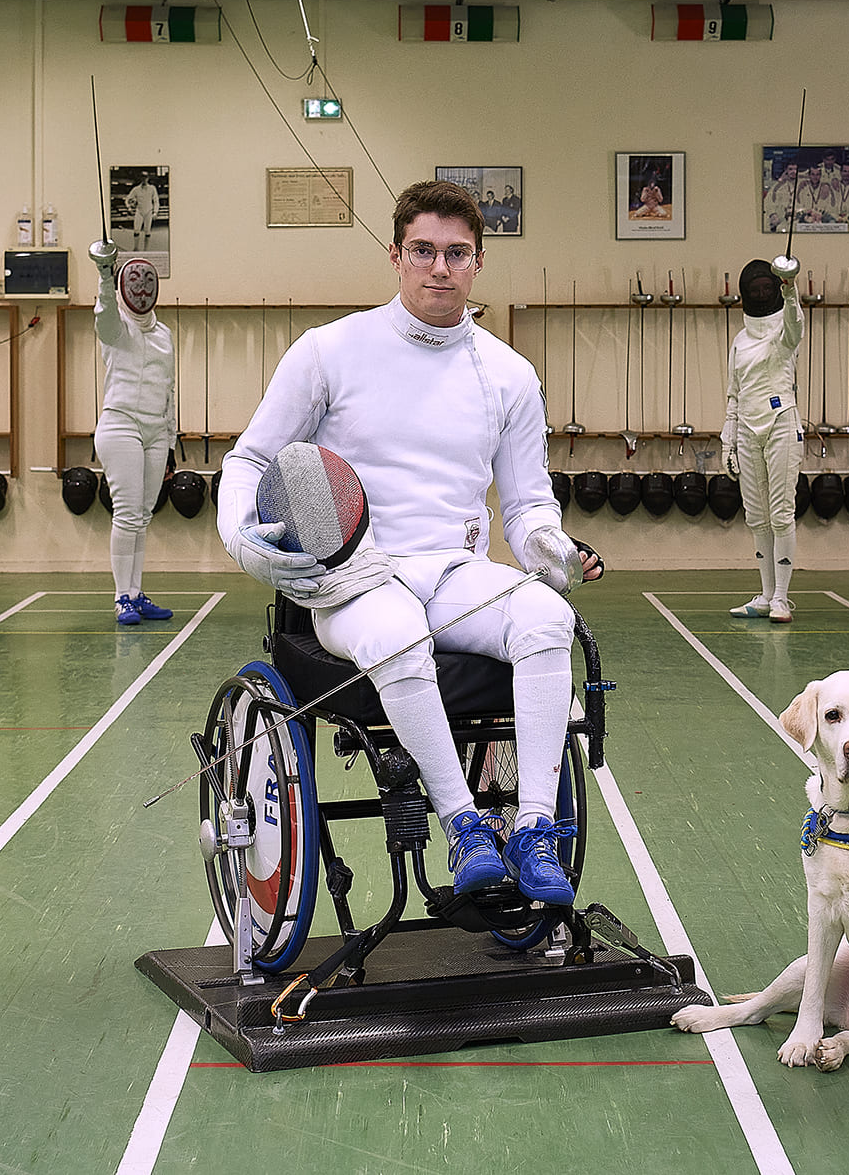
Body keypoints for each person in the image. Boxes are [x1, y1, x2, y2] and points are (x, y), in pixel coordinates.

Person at [218, 180, 600, 905]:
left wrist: (552, 550)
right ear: (395, 254)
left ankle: (534, 830)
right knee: (397, 632)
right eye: (423, 250)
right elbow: (249, 462)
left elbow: (524, 506)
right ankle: (463, 824)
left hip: (454, 572)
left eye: (457, 253)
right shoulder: (330, 351)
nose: (439, 268)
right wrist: (245, 539)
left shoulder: (510, 375)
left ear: (478, 263)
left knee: (547, 618)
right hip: (356, 581)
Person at [88, 238, 177, 626]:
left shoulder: (164, 335)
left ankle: (137, 592)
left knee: (142, 515)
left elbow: (169, 390)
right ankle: (122, 596)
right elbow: (105, 314)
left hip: (156, 432)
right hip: (120, 424)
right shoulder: (116, 328)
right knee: (126, 514)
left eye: (148, 280)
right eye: (133, 280)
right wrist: (105, 277)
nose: (141, 288)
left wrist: (171, 442)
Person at [723, 257, 805, 624]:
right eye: (754, 288)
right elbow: (734, 394)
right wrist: (728, 440)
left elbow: (795, 327)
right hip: (746, 428)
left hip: (781, 423)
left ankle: (783, 599)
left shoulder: (783, 333)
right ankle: (766, 594)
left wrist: (791, 292)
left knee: (781, 513)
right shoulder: (740, 341)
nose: (759, 292)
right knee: (757, 516)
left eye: (765, 287)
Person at [125, 175, 159, 252]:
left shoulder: (152, 188)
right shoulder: (136, 189)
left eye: (145, 178)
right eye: (142, 177)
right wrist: (129, 207)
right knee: (136, 230)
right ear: (141, 178)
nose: (144, 179)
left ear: (148, 178)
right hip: (139, 211)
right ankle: (136, 248)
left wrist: (155, 212)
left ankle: (146, 249)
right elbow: (128, 198)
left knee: (147, 231)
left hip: (149, 212)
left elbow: (156, 201)